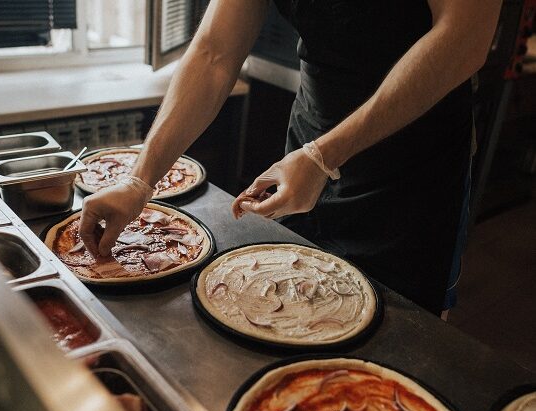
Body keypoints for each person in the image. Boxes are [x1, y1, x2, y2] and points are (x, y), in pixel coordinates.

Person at [80, 0, 501, 316]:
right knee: (295, 308)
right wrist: (140, 180)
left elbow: (463, 39)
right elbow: (214, 52)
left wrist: (325, 155)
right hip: (310, 147)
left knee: (399, 333)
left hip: (413, 170)